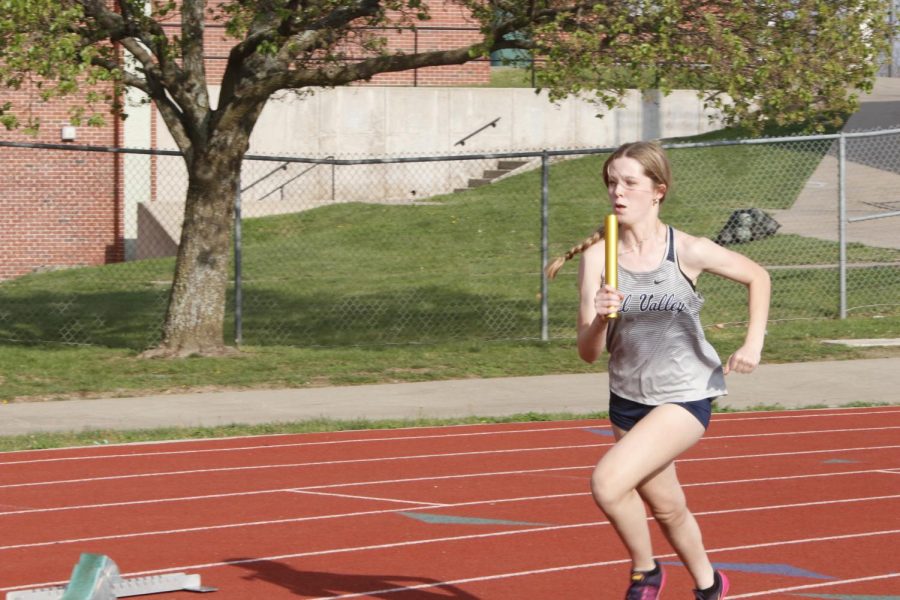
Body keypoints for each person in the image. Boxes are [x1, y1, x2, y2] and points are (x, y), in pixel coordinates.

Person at [545, 141, 770, 600]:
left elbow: (758, 276)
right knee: (667, 509)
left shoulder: (686, 250)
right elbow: (588, 353)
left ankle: (645, 572)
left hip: (685, 393)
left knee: (607, 484)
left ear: (658, 191)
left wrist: (753, 343)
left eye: (630, 182)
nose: (618, 192)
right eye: (612, 182)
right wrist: (602, 318)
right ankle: (711, 585)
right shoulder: (598, 259)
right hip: (628, 399)